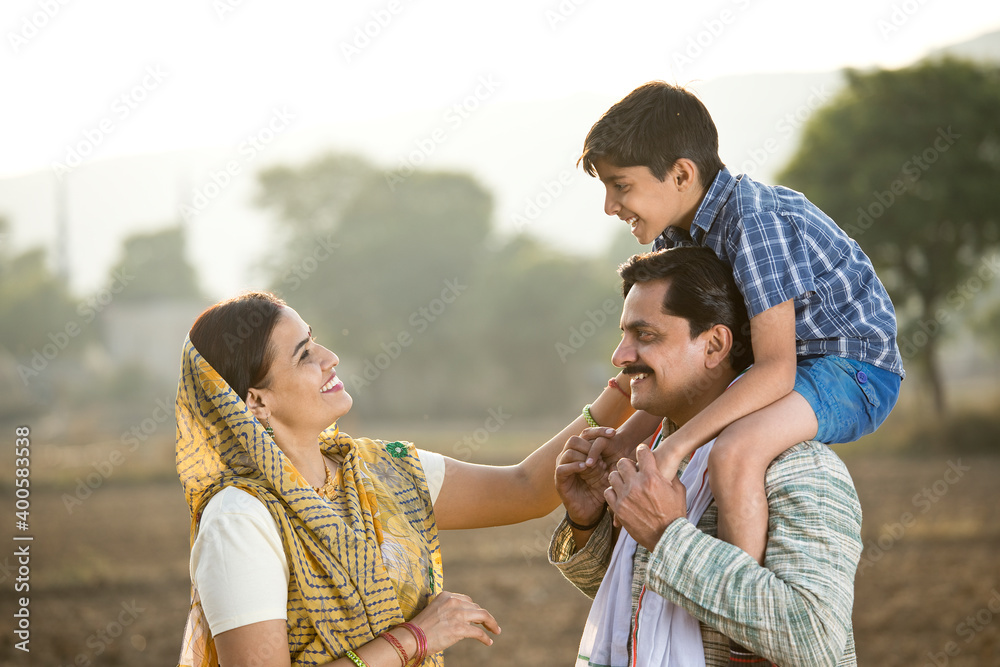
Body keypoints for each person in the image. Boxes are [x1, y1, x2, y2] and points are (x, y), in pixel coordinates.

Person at [576, 80, 902, 659]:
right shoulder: (687, 231)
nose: (610, 206)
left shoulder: (752, 221)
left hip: (850, 364)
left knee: (736, 451)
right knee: (718, 447)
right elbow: (634, 594)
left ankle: (737, 633)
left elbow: (775, 370)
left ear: (680, 174)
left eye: (620, 186)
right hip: (798, 362)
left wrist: (673, 453)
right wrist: (625, 446)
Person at [175, 291, 636, 667]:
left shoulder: (384, 471)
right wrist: (417, 637)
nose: (330, 358)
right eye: (304, 356)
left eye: (315, 341)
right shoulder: (239, 519)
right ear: (256, 401)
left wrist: (631, 384)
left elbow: (526, 488)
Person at [550, 246, 864, 666]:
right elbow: (647, 602)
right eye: (624, 335)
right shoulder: (659, 455)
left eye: (645, 335)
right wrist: (587, 522)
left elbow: (812, 638)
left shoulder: (796, 466)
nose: (620, 355)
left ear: (714, 345)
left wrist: (666, 535)